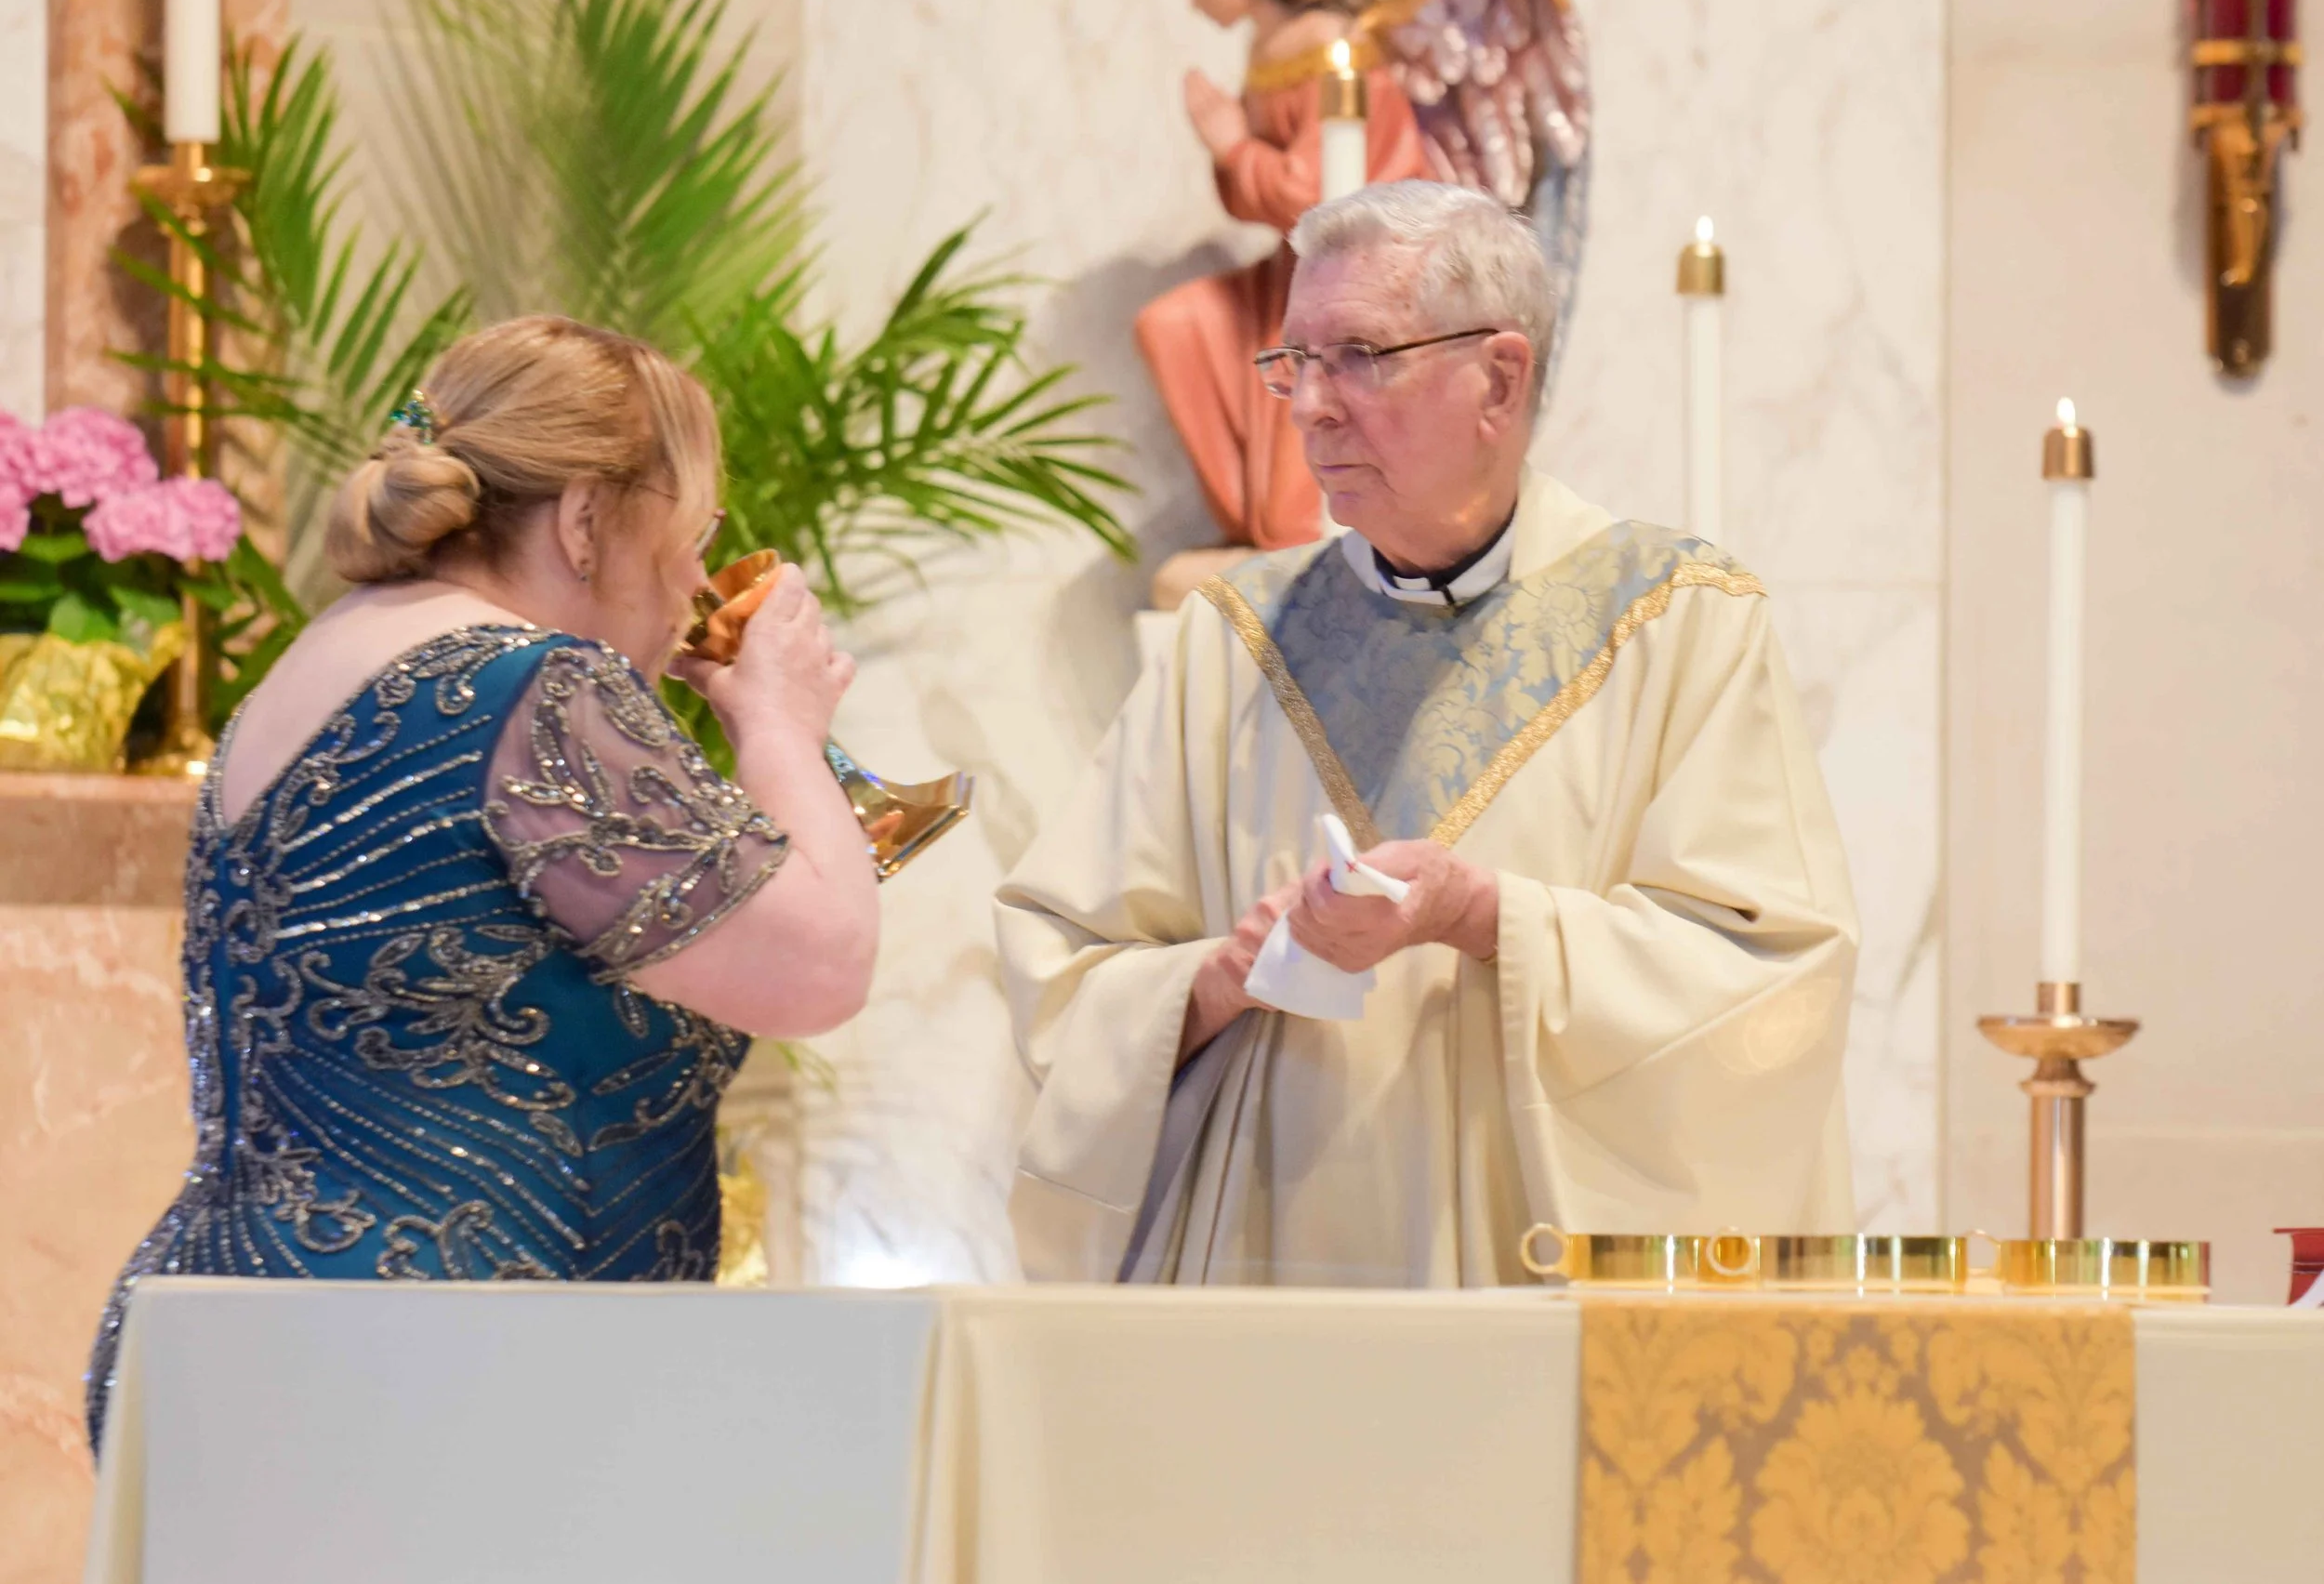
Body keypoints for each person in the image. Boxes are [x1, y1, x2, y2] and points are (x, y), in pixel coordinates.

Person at [1001, 182, 1857, 1287]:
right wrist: (1222, 974)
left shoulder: (1675, 620)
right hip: (1275, 1290)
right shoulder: (1230, 640)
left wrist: (1483, 914)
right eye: (1295, 361)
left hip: (1539, 1291)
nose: (1310, 407)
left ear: (1499, 377)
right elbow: (1061, 966)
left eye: (1359, 356)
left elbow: (1770, 974)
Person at [86, 315, 879, 1445]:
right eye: (693, 533)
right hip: (438, 1381)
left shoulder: (310, 665)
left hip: (223, 1346)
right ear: (586, 519)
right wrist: (783, 724)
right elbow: (818, 967)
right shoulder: (539, 686)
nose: (698, 581)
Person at [1137, 0, 1429, 572]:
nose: (1195, 4)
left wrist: (1233, 145)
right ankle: (1251, 527)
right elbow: (1262, 200)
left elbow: (1316, 195)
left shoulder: (1333, 47)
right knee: (1173, 326)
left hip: (1361, 272)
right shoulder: (1267, 49)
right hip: (1297, 266)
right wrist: (1233, 151)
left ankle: (1291, 538)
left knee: (1294, 502)